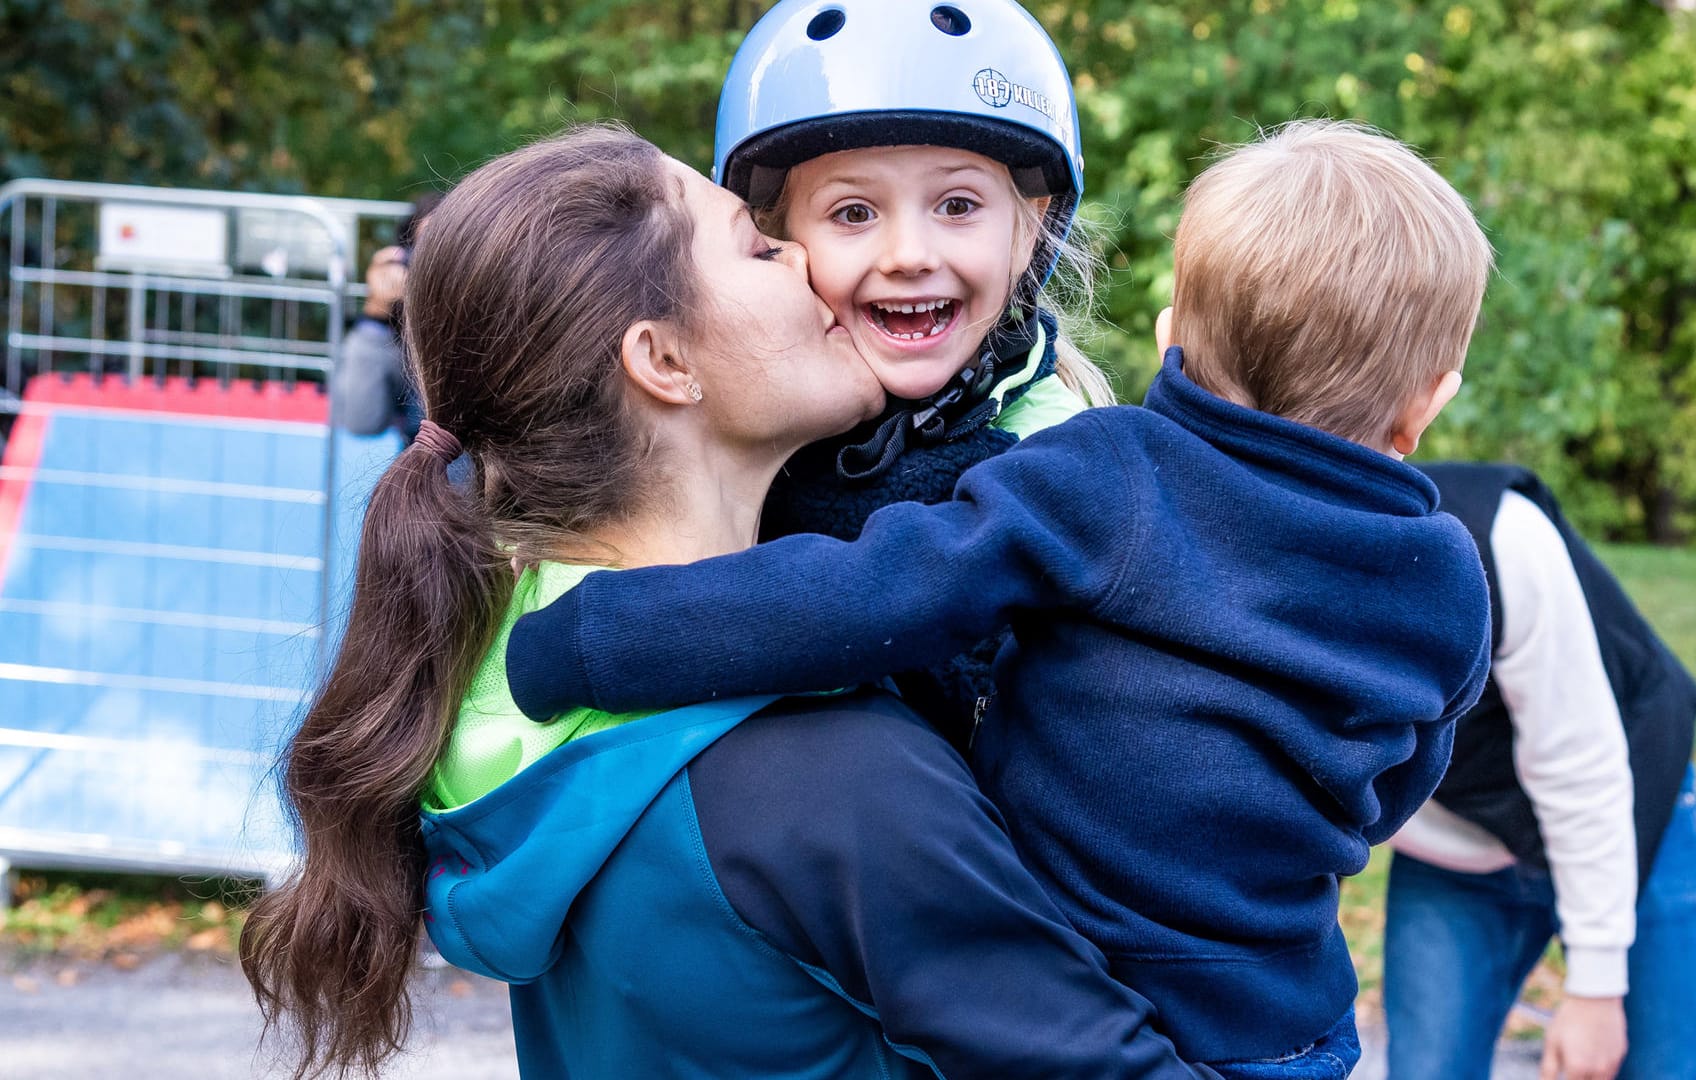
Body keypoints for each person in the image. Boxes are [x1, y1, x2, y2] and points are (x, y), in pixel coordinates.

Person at [505, 120, 1497, 1078]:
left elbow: (870, 594)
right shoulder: (1448, 576)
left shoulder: (1113, 476)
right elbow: (1396, 779)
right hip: (1289, 1024)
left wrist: (594, 638)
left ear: (1170, 339)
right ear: (1433, 398)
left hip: (1085, 974)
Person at [240, 125, 1215, 1080]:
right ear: (665, 361)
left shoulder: (516, 684)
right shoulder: (828, 775)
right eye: (757, 246)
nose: (806, 259)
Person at [712, 0, 1116, 741]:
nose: (908, 253)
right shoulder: (739, 442)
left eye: (957, 204)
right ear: (781, 243)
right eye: (854, 213)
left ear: (1028, 232)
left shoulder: (1071, 469)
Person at [1383, 462, 1696, 1080]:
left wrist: (1594, 989)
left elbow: (1580, 773)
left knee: (1667, 1068)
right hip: (1454, 851)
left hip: (1624, 806)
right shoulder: (1247, 582)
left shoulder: (1500, 539)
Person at [328, 193, 439, 442]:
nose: (438, 266)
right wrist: (376, 314)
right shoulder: (402, 338)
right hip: (427, 474)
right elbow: (362, 422)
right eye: (426, 250)